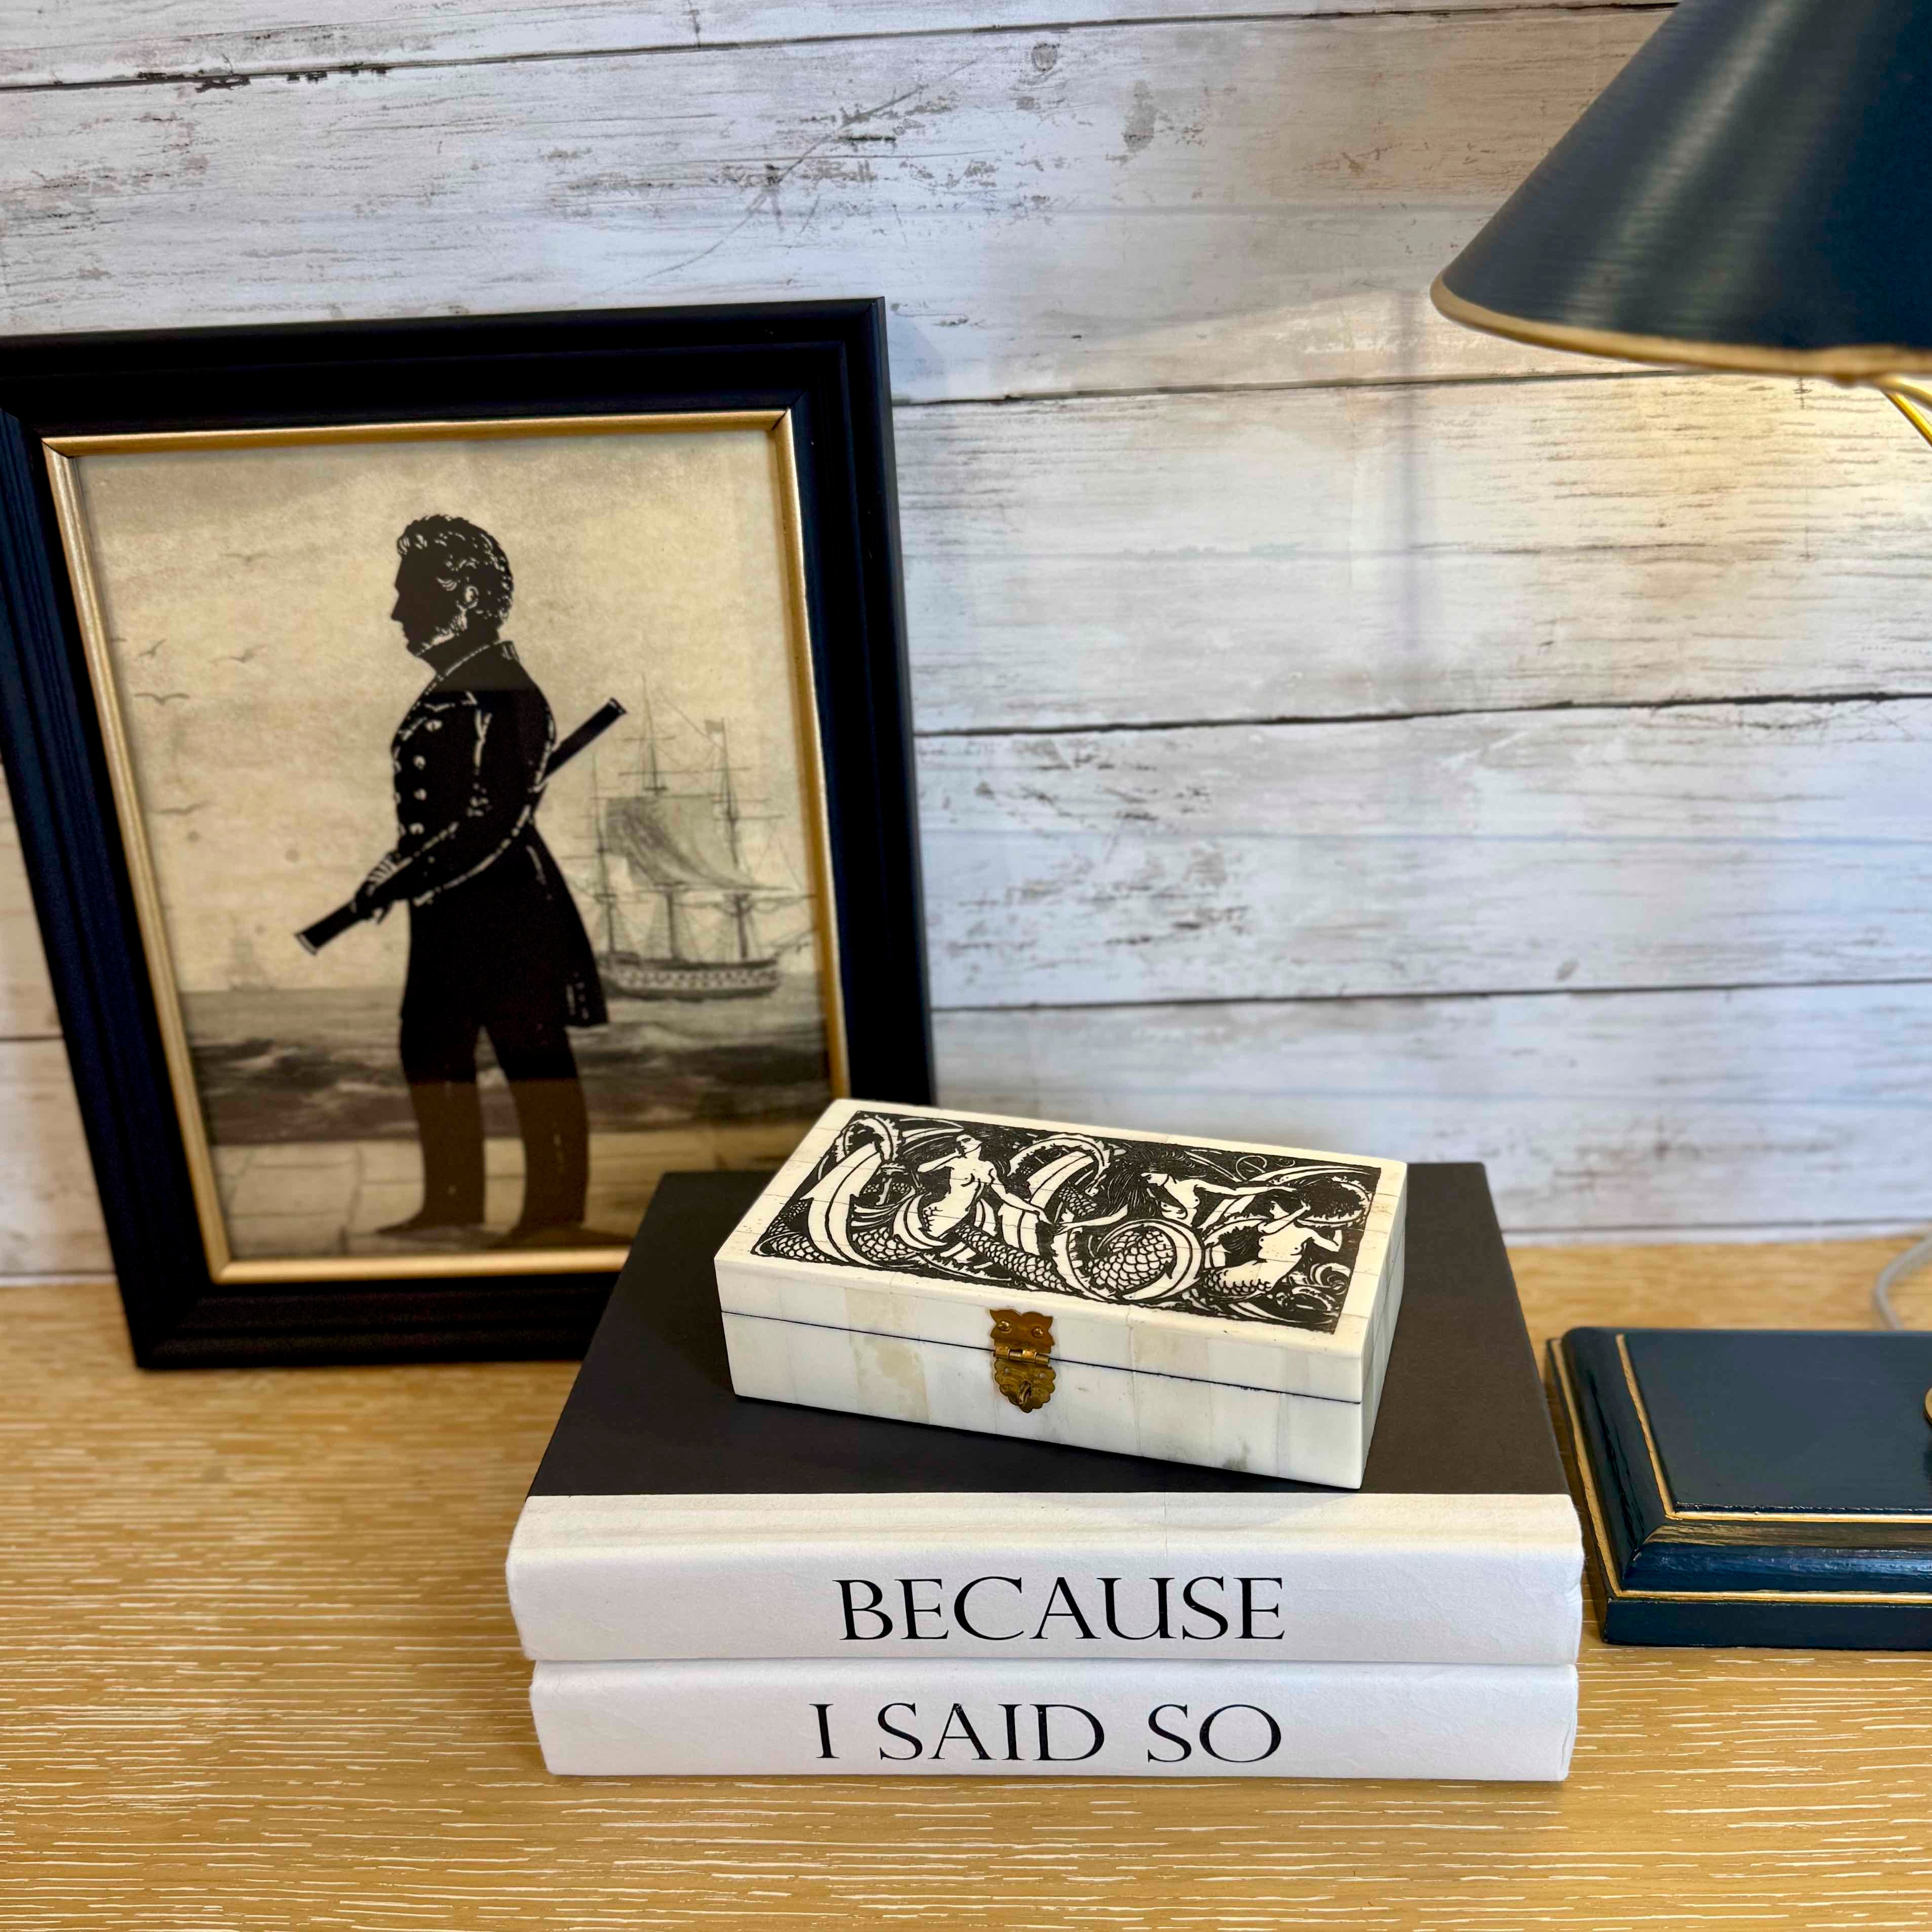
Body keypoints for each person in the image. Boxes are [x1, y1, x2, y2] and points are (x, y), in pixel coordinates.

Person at [350, 515, 607, 1246]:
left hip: (508, 909)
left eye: (410, 594)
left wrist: (402, 875)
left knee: (532, 1056)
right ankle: (454, 1203)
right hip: (444, 911)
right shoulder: (454, 688)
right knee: (431, 1048)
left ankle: (555, 1217)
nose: (398, 611)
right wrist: (398, 873)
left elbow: (491, 822)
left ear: (461, 596)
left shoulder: (508, 693)